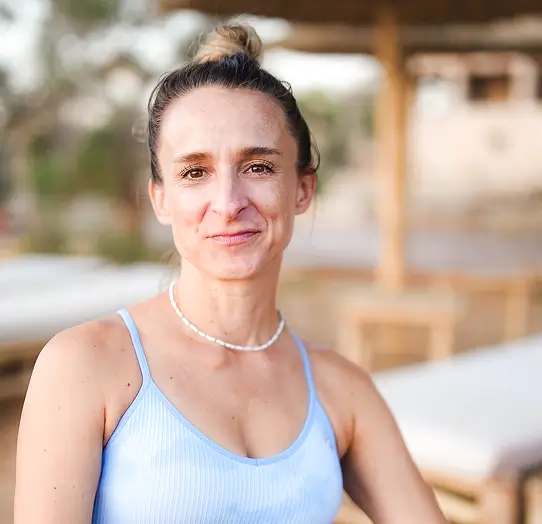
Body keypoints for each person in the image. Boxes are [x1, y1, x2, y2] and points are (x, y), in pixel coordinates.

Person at [14, 21, 448, 524]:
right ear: (160, 199)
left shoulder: (340, 390)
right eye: (195, 172)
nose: (227, 203)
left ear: (302, 189)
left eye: (258, 167)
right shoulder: (86, 366)